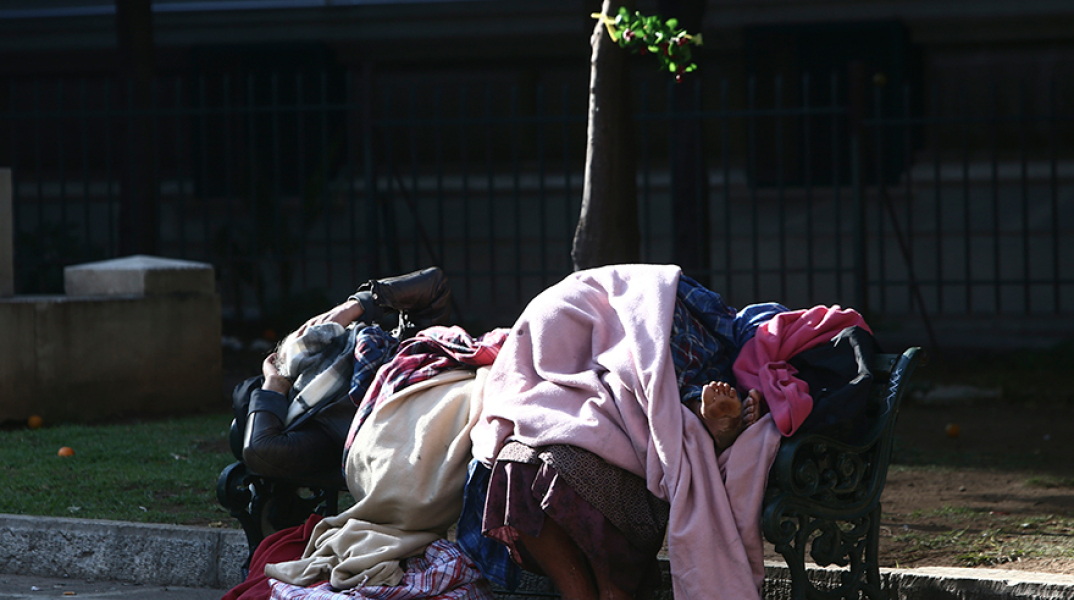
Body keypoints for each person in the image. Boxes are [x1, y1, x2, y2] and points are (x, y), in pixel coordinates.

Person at [231, 266, 453, 485]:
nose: (307, 334)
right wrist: (273, 385)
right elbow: (261, 450)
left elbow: (434, 285)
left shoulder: (382, 344)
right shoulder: (323, 428)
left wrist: (355, 306)